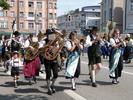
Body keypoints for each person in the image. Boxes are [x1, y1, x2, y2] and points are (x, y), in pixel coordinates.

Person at [43, 29, 62, 95]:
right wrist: (47, 47)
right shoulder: (44, 41)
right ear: (47, 35)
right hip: (47, 59)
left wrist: (58, 50)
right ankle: (48, 88)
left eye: (51, 34)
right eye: (49, 34)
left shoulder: (55, 41)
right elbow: (41, 49)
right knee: (48, 74)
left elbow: (58, 48)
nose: (50, 35)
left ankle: (52, 85)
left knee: (56, 74)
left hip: (54, 59)